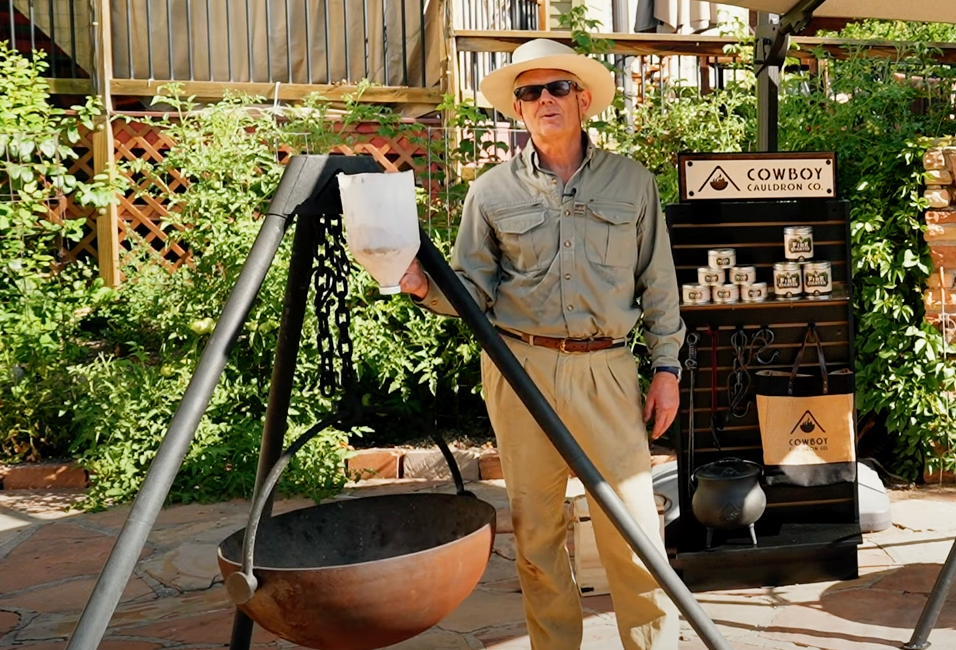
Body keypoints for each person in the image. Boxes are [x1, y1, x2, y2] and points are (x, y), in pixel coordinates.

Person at [400, 38, 685, 650]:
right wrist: (424, 286)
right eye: (529, 93)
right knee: (536, 535)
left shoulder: (632, 182)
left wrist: (667, 368)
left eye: (557, 88)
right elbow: (472, 289)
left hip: (605, 368)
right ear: (518, 111)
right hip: (518, 366)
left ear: (583, 100)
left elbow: (659, 281)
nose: (544, 100)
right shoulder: (491, 192)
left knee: (634, 531)